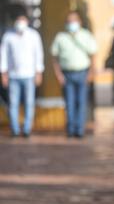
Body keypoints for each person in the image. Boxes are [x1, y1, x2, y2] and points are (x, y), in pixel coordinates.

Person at [51, 11, 97, 138]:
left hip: (83, 72)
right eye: (69, 21)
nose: (72, 24)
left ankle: (79, 130)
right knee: (69, 103)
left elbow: (93, 55)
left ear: (79, 22)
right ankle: (70, 130)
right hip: (67, 74)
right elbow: (54, 58)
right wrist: (58, 75)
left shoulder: (86, 36)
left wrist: (91, 73)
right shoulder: (61, 37)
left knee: (81, 102)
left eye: (74, 21)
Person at [0, 9, 44, 137]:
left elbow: (38, 54)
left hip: (29, 75)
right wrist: (3, 73)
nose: (20, 23)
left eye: (22, 21)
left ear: (27, 22)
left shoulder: (34, 35)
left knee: (29, 103)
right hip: (13, 75)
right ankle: (15, 129)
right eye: (18, 21)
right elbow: (3, 55)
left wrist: (39, 72)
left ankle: (26, 129)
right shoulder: (8, 36)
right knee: (13, 103)